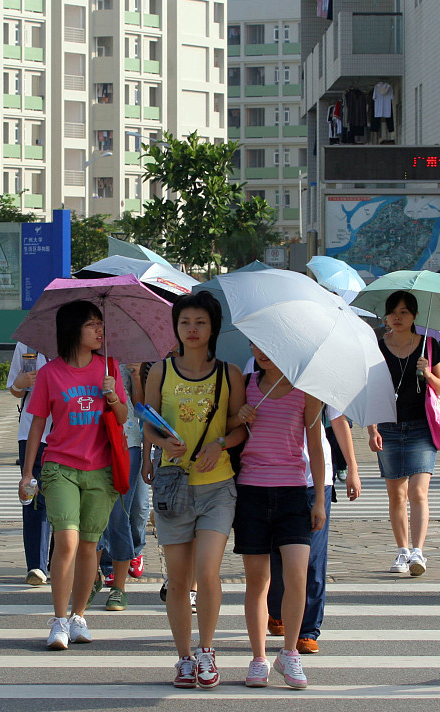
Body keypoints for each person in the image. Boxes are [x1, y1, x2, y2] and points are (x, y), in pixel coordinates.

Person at [140, 292, 247, 689]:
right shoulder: (161, 372)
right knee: (179, 580)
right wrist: (159, 447)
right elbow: (148, 422)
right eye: (186, 322)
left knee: (208, 571)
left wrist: (219, 444)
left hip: (217, 486)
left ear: (213, 327)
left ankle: (207, 651)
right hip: (173, 485)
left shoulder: (229, 374)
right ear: (177, 328)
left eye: (200, 322)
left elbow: (239, 428)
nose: (193, 330)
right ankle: (183, 658)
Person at [19, 300, 127, 650]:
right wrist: (26, 474)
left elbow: (124, 417)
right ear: (72, 330)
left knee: (89, 546)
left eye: (101, 324)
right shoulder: (51, 373)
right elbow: (37, 423)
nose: (100, 331)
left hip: (101, 470)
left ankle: (79, 615)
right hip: (60, 467)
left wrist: (111, 394)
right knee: (66, 540)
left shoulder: (108, 367)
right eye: (92, 324)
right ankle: (59, 620)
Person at [233, 342, 326, 690]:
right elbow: (228, 427)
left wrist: (317, 499)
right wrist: (238, 416)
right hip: (251, 492)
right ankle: (258, 658)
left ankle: (289, 653)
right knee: (258, 582)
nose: (262, 351)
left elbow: (315, 445)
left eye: (273, 345)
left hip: (292, 492)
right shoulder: (246, 384)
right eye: (257, 344)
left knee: (297, 576)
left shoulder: (306, 391)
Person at [366, 290, 440, 576]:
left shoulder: (430, 345)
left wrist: (428, 374)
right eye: (393, 312)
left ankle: (418, 552)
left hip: (422, 427)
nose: (397, 317)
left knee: (418, 492)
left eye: (403, 312)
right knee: (396, 495)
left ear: (414, 316)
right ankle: (402, 550)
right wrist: (371, 428)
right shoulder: (376, 347)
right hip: (387, 426)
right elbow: (371, 390)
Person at [267, 407, 360, 654]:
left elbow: (338, 421)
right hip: (274, 476)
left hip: (315, 480)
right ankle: (277, 612)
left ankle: (308, 630)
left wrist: (352, 467)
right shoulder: (256, 372)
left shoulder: (319, 375)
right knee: (275, 554)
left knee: (313, 558)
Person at [97, 361, 151, 611]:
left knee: (120, 515)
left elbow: (140, 407)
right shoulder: (77, 360)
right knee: (90, 519)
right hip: (89, 441)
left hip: (126, 440)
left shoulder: (127, 357)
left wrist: (136, 375)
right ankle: (91, 579)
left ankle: (118, 586)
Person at [6, 342, 53, 585]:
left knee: (62, 497)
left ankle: (57, 562)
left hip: (67, 430)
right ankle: (36, 565)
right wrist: (20, 384)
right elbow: (14, 388)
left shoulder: (75, 340)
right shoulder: (26, 343)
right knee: (34, 495)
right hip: (31, 430)